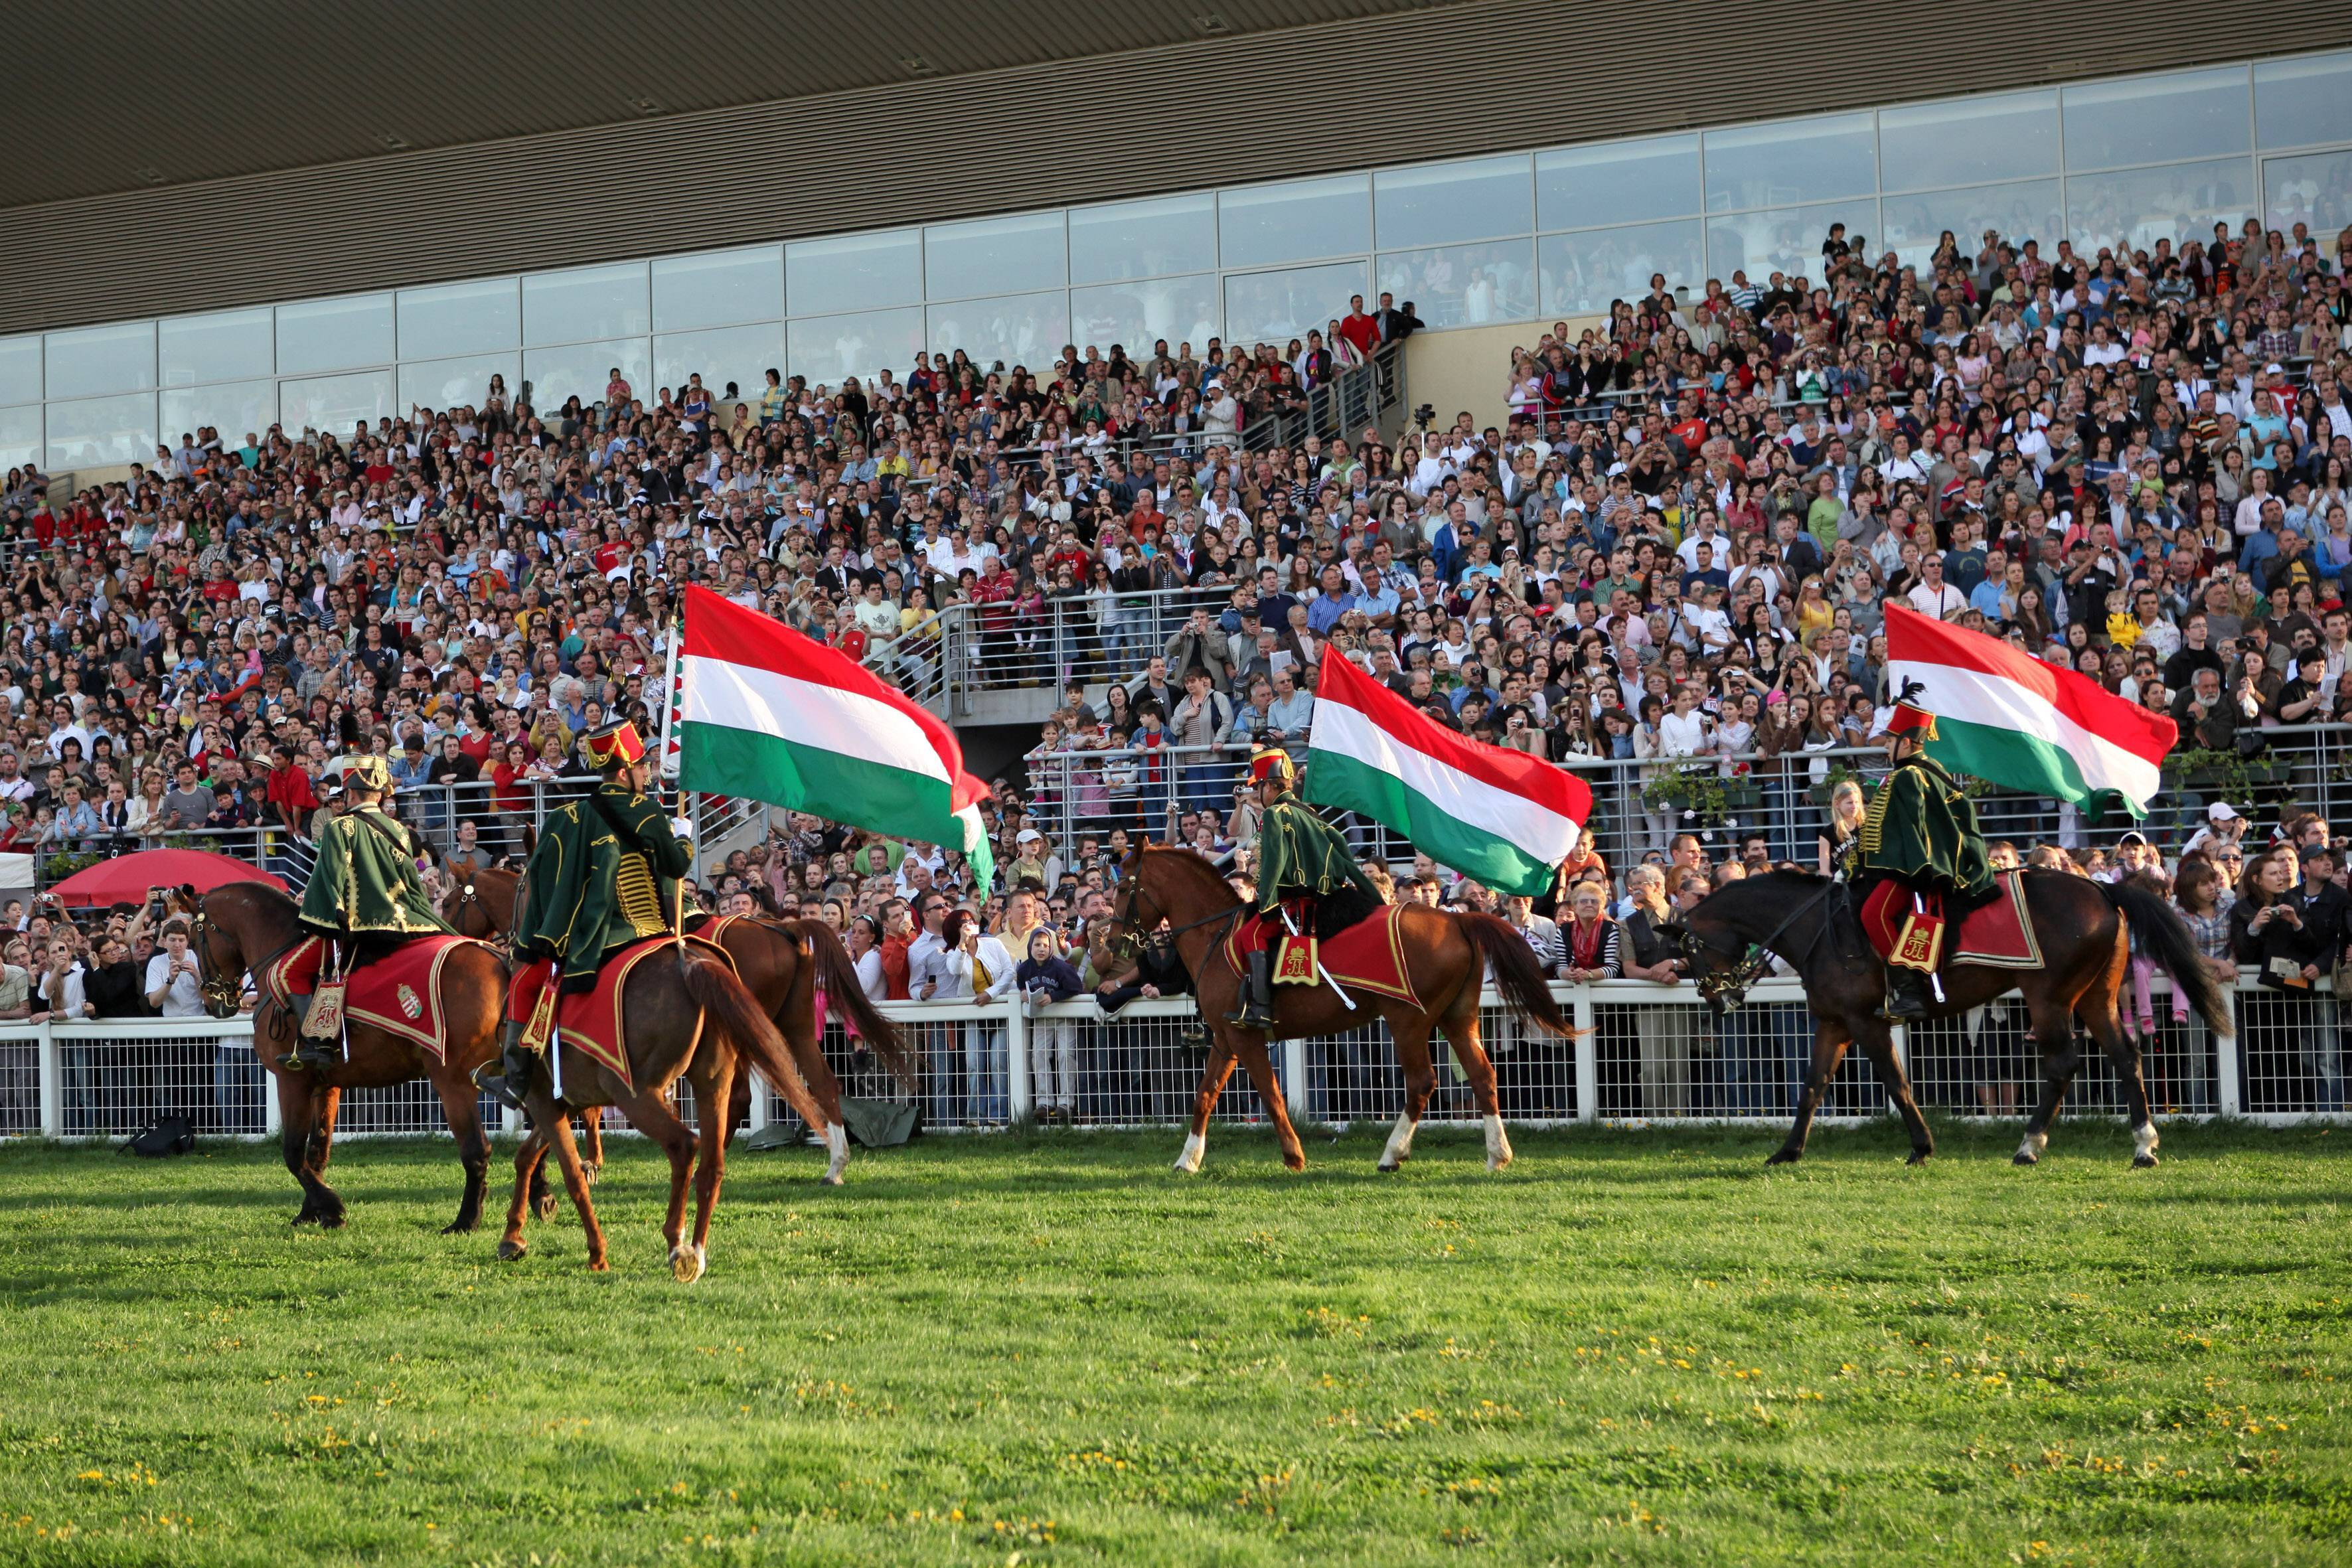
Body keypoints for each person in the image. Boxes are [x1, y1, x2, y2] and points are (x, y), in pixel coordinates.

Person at [479, 720, 692, 1110]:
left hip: (601, 934)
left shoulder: (568, 817)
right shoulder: (646, 809)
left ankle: (516, 1079)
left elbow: (546, 878)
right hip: (655, 927)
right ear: (626, 770)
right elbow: (677, 866)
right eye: (644, 766)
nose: (648, 773)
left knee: (527, 977)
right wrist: (683, 836)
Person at [282, 755, 451, 1069]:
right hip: (407, 921)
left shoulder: (340, 826)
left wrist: (324, 916)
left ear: (352, 794)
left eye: (345, 793)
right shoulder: (400, 830)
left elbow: (331, 877)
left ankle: (319, 1044)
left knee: (288, 971)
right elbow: (410, 882)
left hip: (363, 927)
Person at [1855, 693, 1993, 1020]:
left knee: (1873, 915)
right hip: (1912, 862)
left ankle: (1909, 989)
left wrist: (1914, 867)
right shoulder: (1925, 772)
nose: (1885, 747)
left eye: (1890, 741)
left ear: (1905, 743)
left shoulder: (1908, 776)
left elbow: (1913, 828)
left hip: (1911, 867)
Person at [1226, 747, 1382, 1029]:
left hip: (1295, 901)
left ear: (1270, 786)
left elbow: (1275, 861)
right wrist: (1373, 897)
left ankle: (1260, 1008)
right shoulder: (1307, 812)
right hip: (1325, 899)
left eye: (1259, 786)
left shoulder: (1276, 814)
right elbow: (1343, 853)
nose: (1258, 793)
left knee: (1249, 936)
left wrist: (1267, 903)